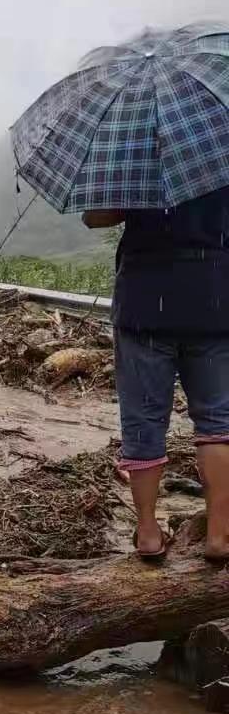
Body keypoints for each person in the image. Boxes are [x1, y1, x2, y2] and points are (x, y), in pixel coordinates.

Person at [84, 184, 229, 562]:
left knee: (144, 421)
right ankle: (220, 534)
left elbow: (94, 217)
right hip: (214, 299)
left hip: (144, 304)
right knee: (217, 421)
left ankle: (148, 533)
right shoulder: (220, 149)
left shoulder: (134, 158)